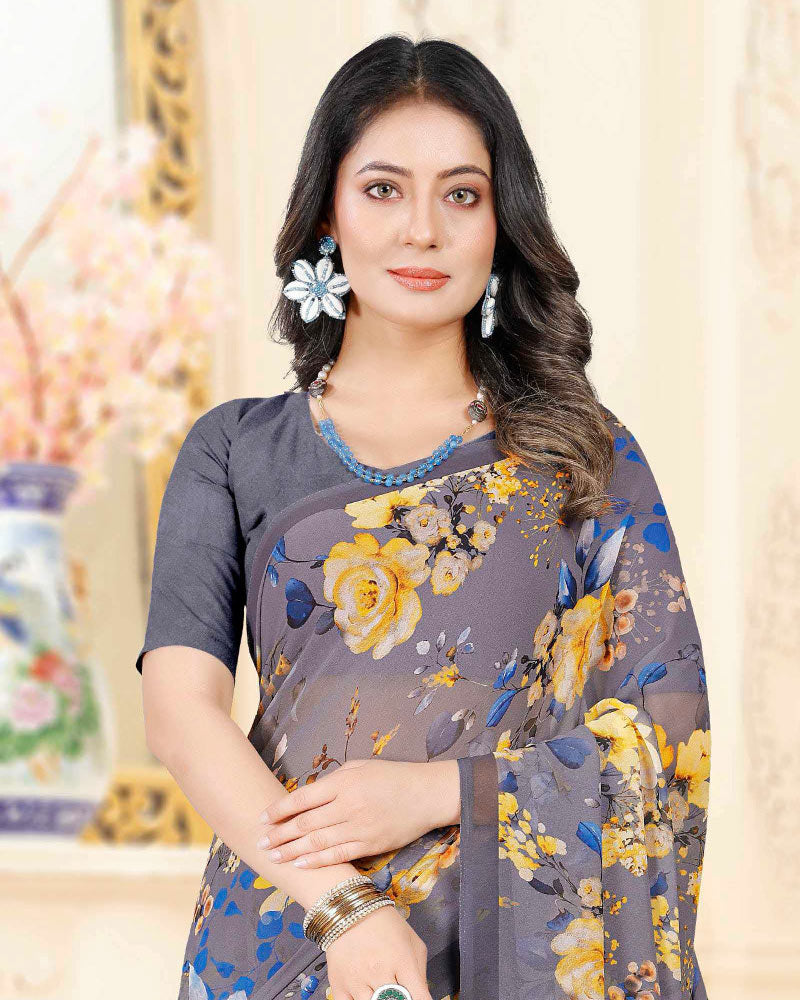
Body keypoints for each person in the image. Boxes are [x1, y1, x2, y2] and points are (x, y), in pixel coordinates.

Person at [136, 34, 711, 1000]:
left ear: (500, 223)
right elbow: (179, 715)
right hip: (288, 933)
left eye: (462, 195)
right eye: (382, 190)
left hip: (510, 950)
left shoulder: (583, 457)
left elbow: (669, 733)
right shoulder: (233, 450)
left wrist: (435, 793)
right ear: (328, 213)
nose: (422, 230)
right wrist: (342, 905)